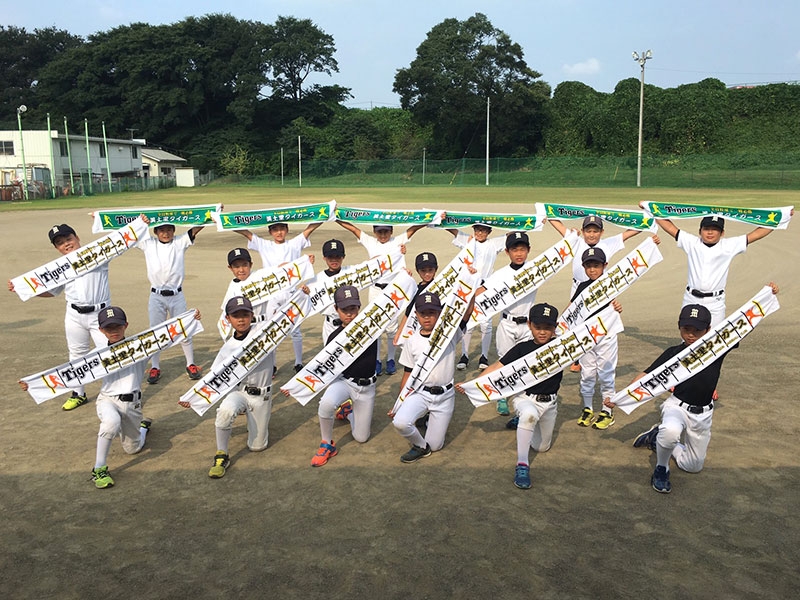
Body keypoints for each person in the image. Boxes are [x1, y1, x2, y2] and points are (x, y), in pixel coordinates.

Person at [606, 283, 779, 494]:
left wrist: (767, 297)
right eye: (686, 329)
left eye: (697, 330)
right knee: (670, 432)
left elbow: (742, 324)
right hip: (677, 407)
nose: (691, 335)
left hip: (703, 414)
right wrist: (620, 397)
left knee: (692, 466)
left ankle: (654, 437)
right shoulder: (673, 353)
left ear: (707, 330)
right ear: (679, 328)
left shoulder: (717, 348)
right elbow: (646, 376)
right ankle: (661, 468)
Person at [18, 306, 152, 488]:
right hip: (108, 400)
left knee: (133, 449)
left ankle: (142, 428)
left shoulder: (140, 347)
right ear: (101, 330)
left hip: (133, 404)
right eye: (109, 328)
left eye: (117, 326)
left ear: (126, 325)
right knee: (111, 422)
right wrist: (34, 384)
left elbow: (169, 335)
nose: (114, 331)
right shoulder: (96, 355)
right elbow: (69, 374)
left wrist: (191, 319)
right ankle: (99, 468)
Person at [459, 303, 563, 490]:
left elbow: (589, 336)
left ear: (555, 327)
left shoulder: (562, 347)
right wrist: (473, 384)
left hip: (550, 403)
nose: (542, 332)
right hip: (526, 399)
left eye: (548, 328)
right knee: (529, 415)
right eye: (538, 327)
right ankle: (522, 464)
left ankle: (523, 424)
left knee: (541, 447)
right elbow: (496, 368)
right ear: (530, 324)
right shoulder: (521, 348)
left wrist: (613, 310)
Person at [8, 223, 111, 411]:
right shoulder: (59, 268)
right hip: (74, 315)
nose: (66, 244)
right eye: (60, 243)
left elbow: (119, 242)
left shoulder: (97, 255)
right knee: (76, 355)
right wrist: (25, 289)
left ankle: (112, 391)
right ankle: (78, 393)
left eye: (68, 239)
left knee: (107, 352)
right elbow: (51, 292)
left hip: (100, 314)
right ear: (57, 248)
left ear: (77, 237)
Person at [282, 285, 378, 467]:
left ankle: (348, 413)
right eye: (344, 310)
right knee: (326, 403)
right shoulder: (334, 336)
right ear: (336, 310)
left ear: (359, 308)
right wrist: (296, 384)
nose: (349, 314)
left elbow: (392, 306)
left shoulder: (371, 327)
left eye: (353, 309)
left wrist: (404, 277)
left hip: (367, 388)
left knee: (361, 437)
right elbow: (322, 365)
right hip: (345, 382)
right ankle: (327, 443)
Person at [183, 296, 275, 479]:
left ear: (252, 316)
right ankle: (221, 454)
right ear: (228, 319)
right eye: (236, 316)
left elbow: (289, 318)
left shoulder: (266, 334)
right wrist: (193, 397)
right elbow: (215, 377)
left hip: (262, 396)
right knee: (225, 411)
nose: (241, 319)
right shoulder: (228, 347)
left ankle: (256, 422)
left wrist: (303, 294)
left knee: (257, 447)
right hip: (240, 393)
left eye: (245, 315)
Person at [549, 215, 640, 373]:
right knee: (575, 321)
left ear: (602, 232)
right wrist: (548, 213)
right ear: (583, 231)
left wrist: (649, 218)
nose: (592, 234)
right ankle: (577, 357)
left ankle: (595, 354)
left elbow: (631, 232)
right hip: (578, 287)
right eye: (588, 231)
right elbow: (557, 223)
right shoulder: (575, 239)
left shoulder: (608, 243)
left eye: (595, 231)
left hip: (600, 289)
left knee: (600, 320)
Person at [391, 290, 472, 463]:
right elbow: (407, 373)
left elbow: (466, 314)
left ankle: (428, 426)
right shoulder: (411, 341)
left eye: (432, 313)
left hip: (444, 396)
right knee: (400, 422)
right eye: (423, 313)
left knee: (436, 445)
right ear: (416, 315)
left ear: (439, 314)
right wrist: (400, 401)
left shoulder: (449, 335)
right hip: (420, 393)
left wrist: (472, 287)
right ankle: (421, 446)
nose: (427, 318)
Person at [336, 220, 426, 376]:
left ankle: (390, 359)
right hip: (375, 289)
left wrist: (429, 219)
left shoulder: (397, 241)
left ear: (391, 231)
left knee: (391, 327)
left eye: (386, 231)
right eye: (379, 232)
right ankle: (377, 360)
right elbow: (354, 229)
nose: (383, 235)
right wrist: (336, 217)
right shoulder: (371, 242)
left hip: (393, 289)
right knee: (375, 325)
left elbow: (413, 229)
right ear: (374, 232)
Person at [653, 214, 778, 326]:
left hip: (715, 302)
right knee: (687, 337)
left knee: (712, 339)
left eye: (715, 229)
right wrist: (651, 209)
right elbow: (670, 227)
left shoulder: (729, 246)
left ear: (722, 233)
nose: (710, 233)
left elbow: (756, 234)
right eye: (706, 229)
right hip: (691, 298)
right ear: (700, 231)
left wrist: (780, 218)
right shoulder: (692, 243)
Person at [236, 221, 323, 373]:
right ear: (270, 232)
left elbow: (310, 229)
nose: (279, 232)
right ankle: (273, 364)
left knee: (295, 329)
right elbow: (246, 233)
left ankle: (298, 362)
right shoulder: (264, 245)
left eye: (282, 229)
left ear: (287, 229)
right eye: (275, 229)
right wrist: (223, 222)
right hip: (272, 294)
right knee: (271, 329)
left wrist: (327, 212)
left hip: (291, 292)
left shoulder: (294, 244)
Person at [474, 231, 537, 417]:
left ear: (529, 250)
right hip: (507, 324)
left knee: (526, 363)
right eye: (514, 250)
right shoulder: (500, 274)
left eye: (523, 249)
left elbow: (558, 258)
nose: (519, 253)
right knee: (505, 361)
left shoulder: (535, 269)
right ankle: (502, 396)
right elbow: (481, 291)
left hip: (528, 325)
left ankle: (523, 399)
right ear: (507, 252)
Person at [137, 220, 204, 384]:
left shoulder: (179, 242)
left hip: (176, 295)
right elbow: (127, 234)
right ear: (155, 232)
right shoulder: (148, 244)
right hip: (156, 296)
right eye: (161, 230)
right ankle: (155, 366)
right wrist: (100, 218)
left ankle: (190, 363)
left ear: (174, 230)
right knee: (155, 332)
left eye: (169, 229)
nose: (165, 233)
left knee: (184, 329)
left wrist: (213, 212)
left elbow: (194, 230)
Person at [571, 247, 623, 430]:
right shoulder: (582, 287)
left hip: (606, 337)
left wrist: (616, 305)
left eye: (596, 265)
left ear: (604, 266)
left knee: (606, 374)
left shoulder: (611, 284)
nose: (592, 270)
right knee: (587, 374)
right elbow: (573, 310)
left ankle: (607, 411)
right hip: (586, 337)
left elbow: (615, 303)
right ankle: (587, 408)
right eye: (589, 266)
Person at [448, 224, 506, 371]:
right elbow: (453, 230)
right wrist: (439, 220)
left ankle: (484, 356)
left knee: (485, 323)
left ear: (489, 231)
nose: (479, 233)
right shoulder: (468, 240)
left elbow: (512, 234)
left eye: (483, 230)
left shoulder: (493, 244)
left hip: (486, 286)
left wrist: (532, 223)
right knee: (467, 321)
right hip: (468, 286)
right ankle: (465, 355)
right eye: (477, 230)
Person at [394, 251, 439, 343]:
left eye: (430, 270)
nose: (427, 274)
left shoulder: (442, 288)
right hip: (419, 332)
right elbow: (408, 313)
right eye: (423, 270)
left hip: (437, 332)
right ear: (417, 270)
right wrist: (399, 333)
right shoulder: (415, 290)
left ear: (436, 269)